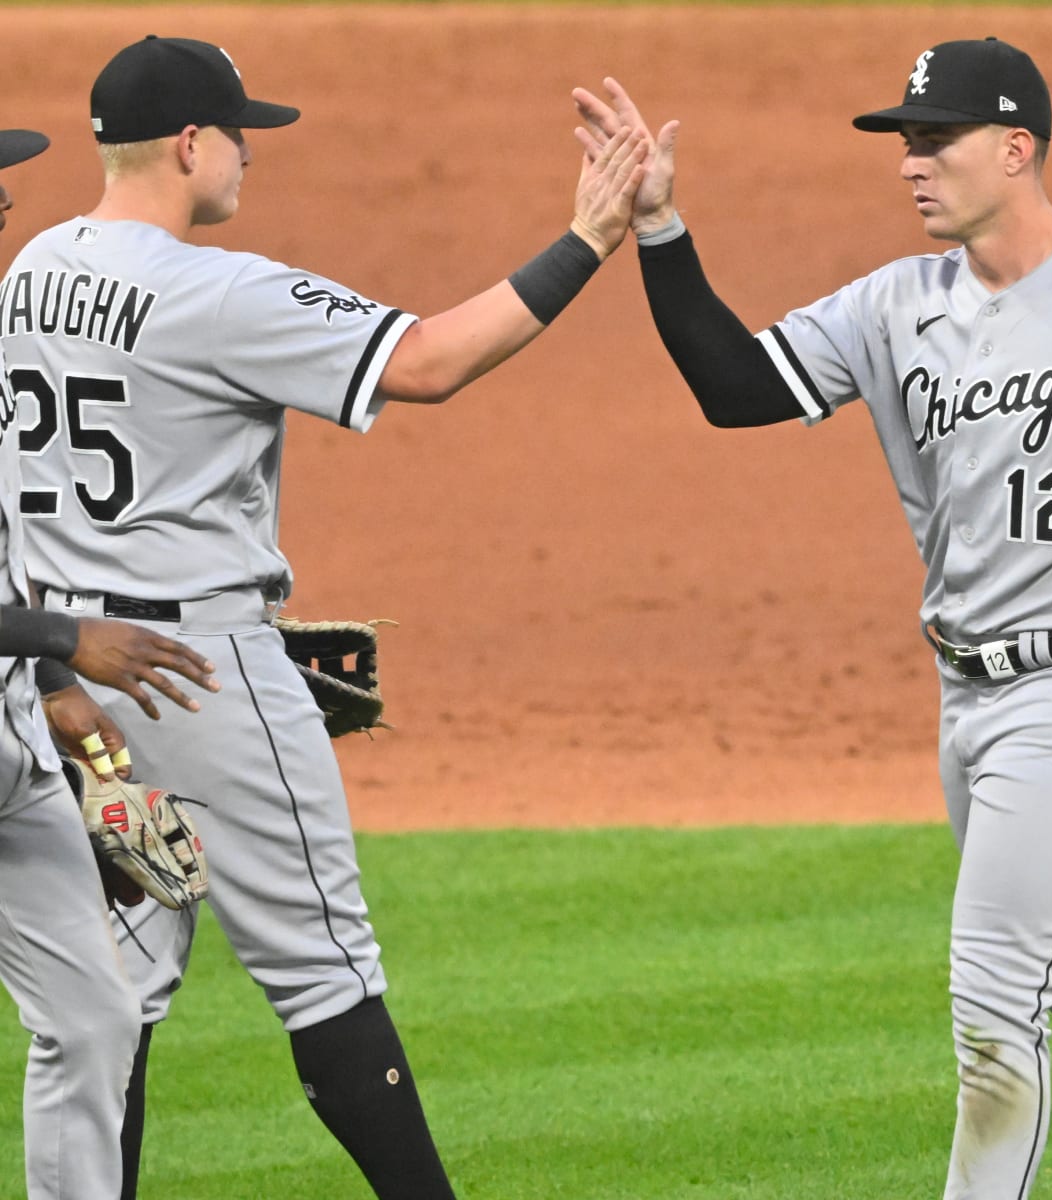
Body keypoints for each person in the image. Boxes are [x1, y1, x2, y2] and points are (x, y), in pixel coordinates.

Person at [1, 33, 646, 1199]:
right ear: (192, 143)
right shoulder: (218, 288)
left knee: (122, 989)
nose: (249, 155)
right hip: (201, 676)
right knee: (326, 973)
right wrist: (591, 237)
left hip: (77, 682)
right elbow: (433, 363)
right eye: (239, 132)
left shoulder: (31, 267)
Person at [574, 36, 1052, 1199]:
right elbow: (737, 389)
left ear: (1017, 148)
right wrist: (659, 231)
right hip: (970, 702)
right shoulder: (894, 304)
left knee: (993, 1008)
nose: (911, 163)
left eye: (936, 139)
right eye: (903, 142)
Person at [0, 126, 219, 1200]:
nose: (4, 198)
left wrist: (52, 689)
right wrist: (62, 642)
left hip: (12, 758)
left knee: (94, 1017)